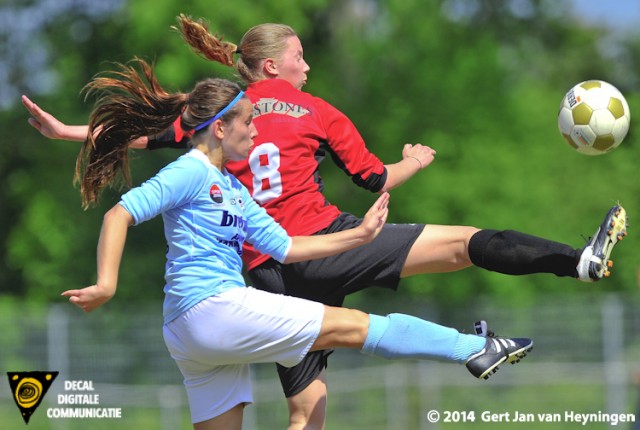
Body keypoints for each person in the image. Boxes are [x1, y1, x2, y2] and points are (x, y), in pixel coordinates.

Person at [21, 15, 628, 429]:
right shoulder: (302, 113)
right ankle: (571, 266)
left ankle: (479, 341)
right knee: (463, 244)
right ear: (267, 69)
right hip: (319, 246)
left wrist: (67, 132)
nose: (307, 67)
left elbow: (142, 137)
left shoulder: (214, 122)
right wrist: (411, 163)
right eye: (299, 58)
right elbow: (374, 180)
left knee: (308, 410)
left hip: (267, 278)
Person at [61, 58, 532, 429]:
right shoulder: (191, 169)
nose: (257, 129)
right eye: (248, 122)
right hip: (212, 309)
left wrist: (361, 235)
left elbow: (287, 247)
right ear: (221, 128)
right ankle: (469, 348)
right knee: (354, 326)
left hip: (192, 333)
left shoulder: (236, 191)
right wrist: (106, 285)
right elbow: (119, 213)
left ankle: (470, 348)